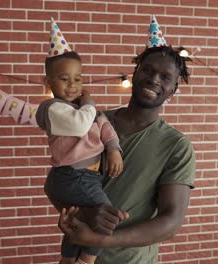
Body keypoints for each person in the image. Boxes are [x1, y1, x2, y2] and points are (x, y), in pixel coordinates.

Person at [58, 15, 196, 263]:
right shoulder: (91, 123)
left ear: (173, 89)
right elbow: (56, 182)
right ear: (135, 73)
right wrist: (79, 211)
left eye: (165, 77)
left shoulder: (176, 146)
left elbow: (171, 221)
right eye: (148, 70)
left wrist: (102, 240)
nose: (154, 79)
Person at [36, 18, 125, 264]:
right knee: (105, 216)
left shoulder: (86, 109)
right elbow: (81, 124)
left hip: (87, 176)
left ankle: (67, 259)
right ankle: (86, 260)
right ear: (49, 82)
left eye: (78, 78)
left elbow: (105, 126)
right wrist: (90, 103)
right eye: (64, 79)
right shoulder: (53, 108)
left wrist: (114, 149)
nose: (73, 85)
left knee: (79, 219)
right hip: (72, 175)